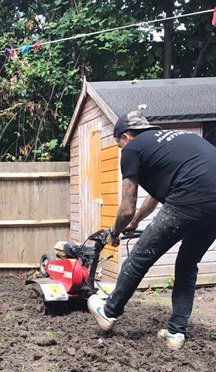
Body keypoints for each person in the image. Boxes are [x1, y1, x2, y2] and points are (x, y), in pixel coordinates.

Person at [88, 111, 216, 350]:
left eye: (119, 145)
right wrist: (136, 222)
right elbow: (153, 198)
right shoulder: (171, 143)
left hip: (189, 193)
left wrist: (114, 233)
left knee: (140, 256)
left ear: (126, 136)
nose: (121, 149)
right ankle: (176, 333)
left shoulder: (132, 149)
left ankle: (109, 311)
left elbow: (126, 207)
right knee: (188, 264)